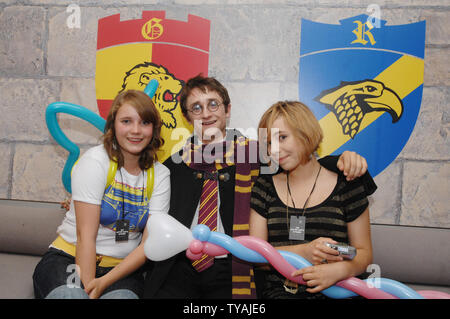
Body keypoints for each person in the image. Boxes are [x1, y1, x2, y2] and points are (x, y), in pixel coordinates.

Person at [143, 75, 368, 299]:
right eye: (196, 107)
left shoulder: (255, 156)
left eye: (213, 104)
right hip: (180, 267)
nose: (206, 113)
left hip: (232, 268)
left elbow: (300, 159)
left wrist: (341, 162)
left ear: (227, 110)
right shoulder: (174, 167)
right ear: (186, 117)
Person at [33, 90, 170, 299]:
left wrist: (104, 282)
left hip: (120, 271)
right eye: (126, 121)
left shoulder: (160, 175)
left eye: (144, 123)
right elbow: (85, 236)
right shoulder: (95, 161)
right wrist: (89, 288)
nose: (136, 130)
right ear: (113, 125)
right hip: (68, 259)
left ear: (153, 129)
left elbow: (147, 247)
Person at [249, 101, 376, 299]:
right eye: (269, 143)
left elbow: (364, 253)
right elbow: (257, 257)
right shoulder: (264, 187)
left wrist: (339, 270)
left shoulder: (347, 184)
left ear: (305, 133)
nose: (274, 149)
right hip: (280, 293)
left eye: (282, 137)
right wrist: (303, 252)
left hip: (338, 291)